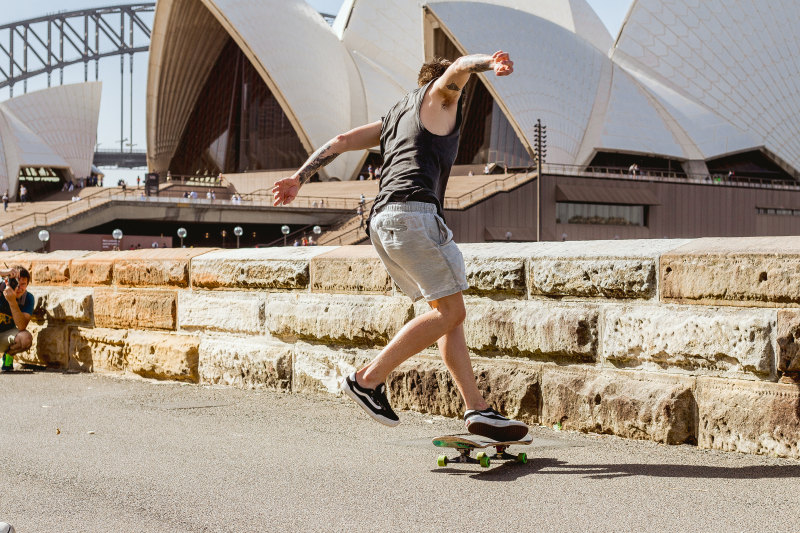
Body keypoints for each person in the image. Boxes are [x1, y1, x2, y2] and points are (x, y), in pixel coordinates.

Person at [272, 50, 527, 441]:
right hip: (414, 215)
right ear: (441, 86)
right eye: (455, 91)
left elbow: (340, 141)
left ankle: (477, 411)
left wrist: (298, 177)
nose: (458, 98)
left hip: (382, 220)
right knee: (451, 312)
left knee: (447, 315)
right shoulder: (441, 97)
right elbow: (459, 67)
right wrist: (491, 63)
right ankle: (367, 379)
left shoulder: (394, 116)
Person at [0, 267, 34, 372]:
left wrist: (12, 302)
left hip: (6, 336)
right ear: (9, 281)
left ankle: (8, 356)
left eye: (23, 284)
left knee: (25, 338)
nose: (19, 288)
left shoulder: (27, 298)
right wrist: (3, 272)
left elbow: (21, 326)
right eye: (16, 283)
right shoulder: (1, 289)